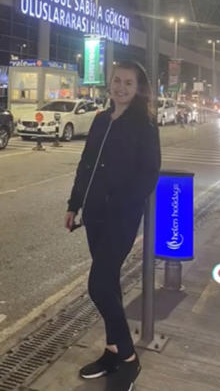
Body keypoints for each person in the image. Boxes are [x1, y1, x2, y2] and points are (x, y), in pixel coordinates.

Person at [64, 60, 161, 391]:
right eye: (117, 81)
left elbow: (149, 173)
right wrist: (74, 204)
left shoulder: (144, 124)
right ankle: (112, 350)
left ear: (138, 88)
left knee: (99, 285)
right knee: (109, 285)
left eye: (128, 83)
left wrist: (122, 202)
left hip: (121, 216)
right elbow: (86, 164)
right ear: (110, 84)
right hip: (94, 214)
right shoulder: (101, 119)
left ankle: (129, 360)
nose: (121, 87)